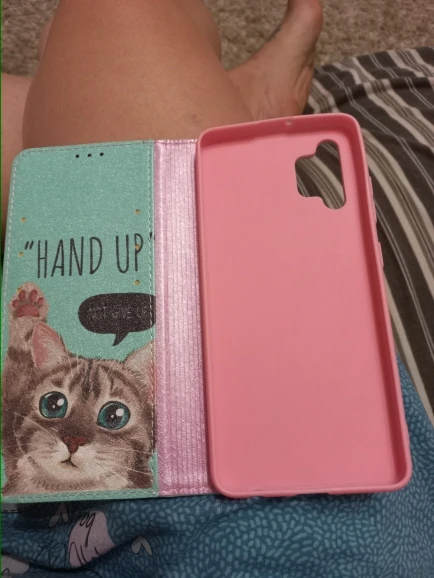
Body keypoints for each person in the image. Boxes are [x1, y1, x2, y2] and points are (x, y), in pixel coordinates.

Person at [2, 1, 434, 576]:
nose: (75, 438)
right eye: (56, 406)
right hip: (327, 513)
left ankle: (220, 106)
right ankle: (231, 112)